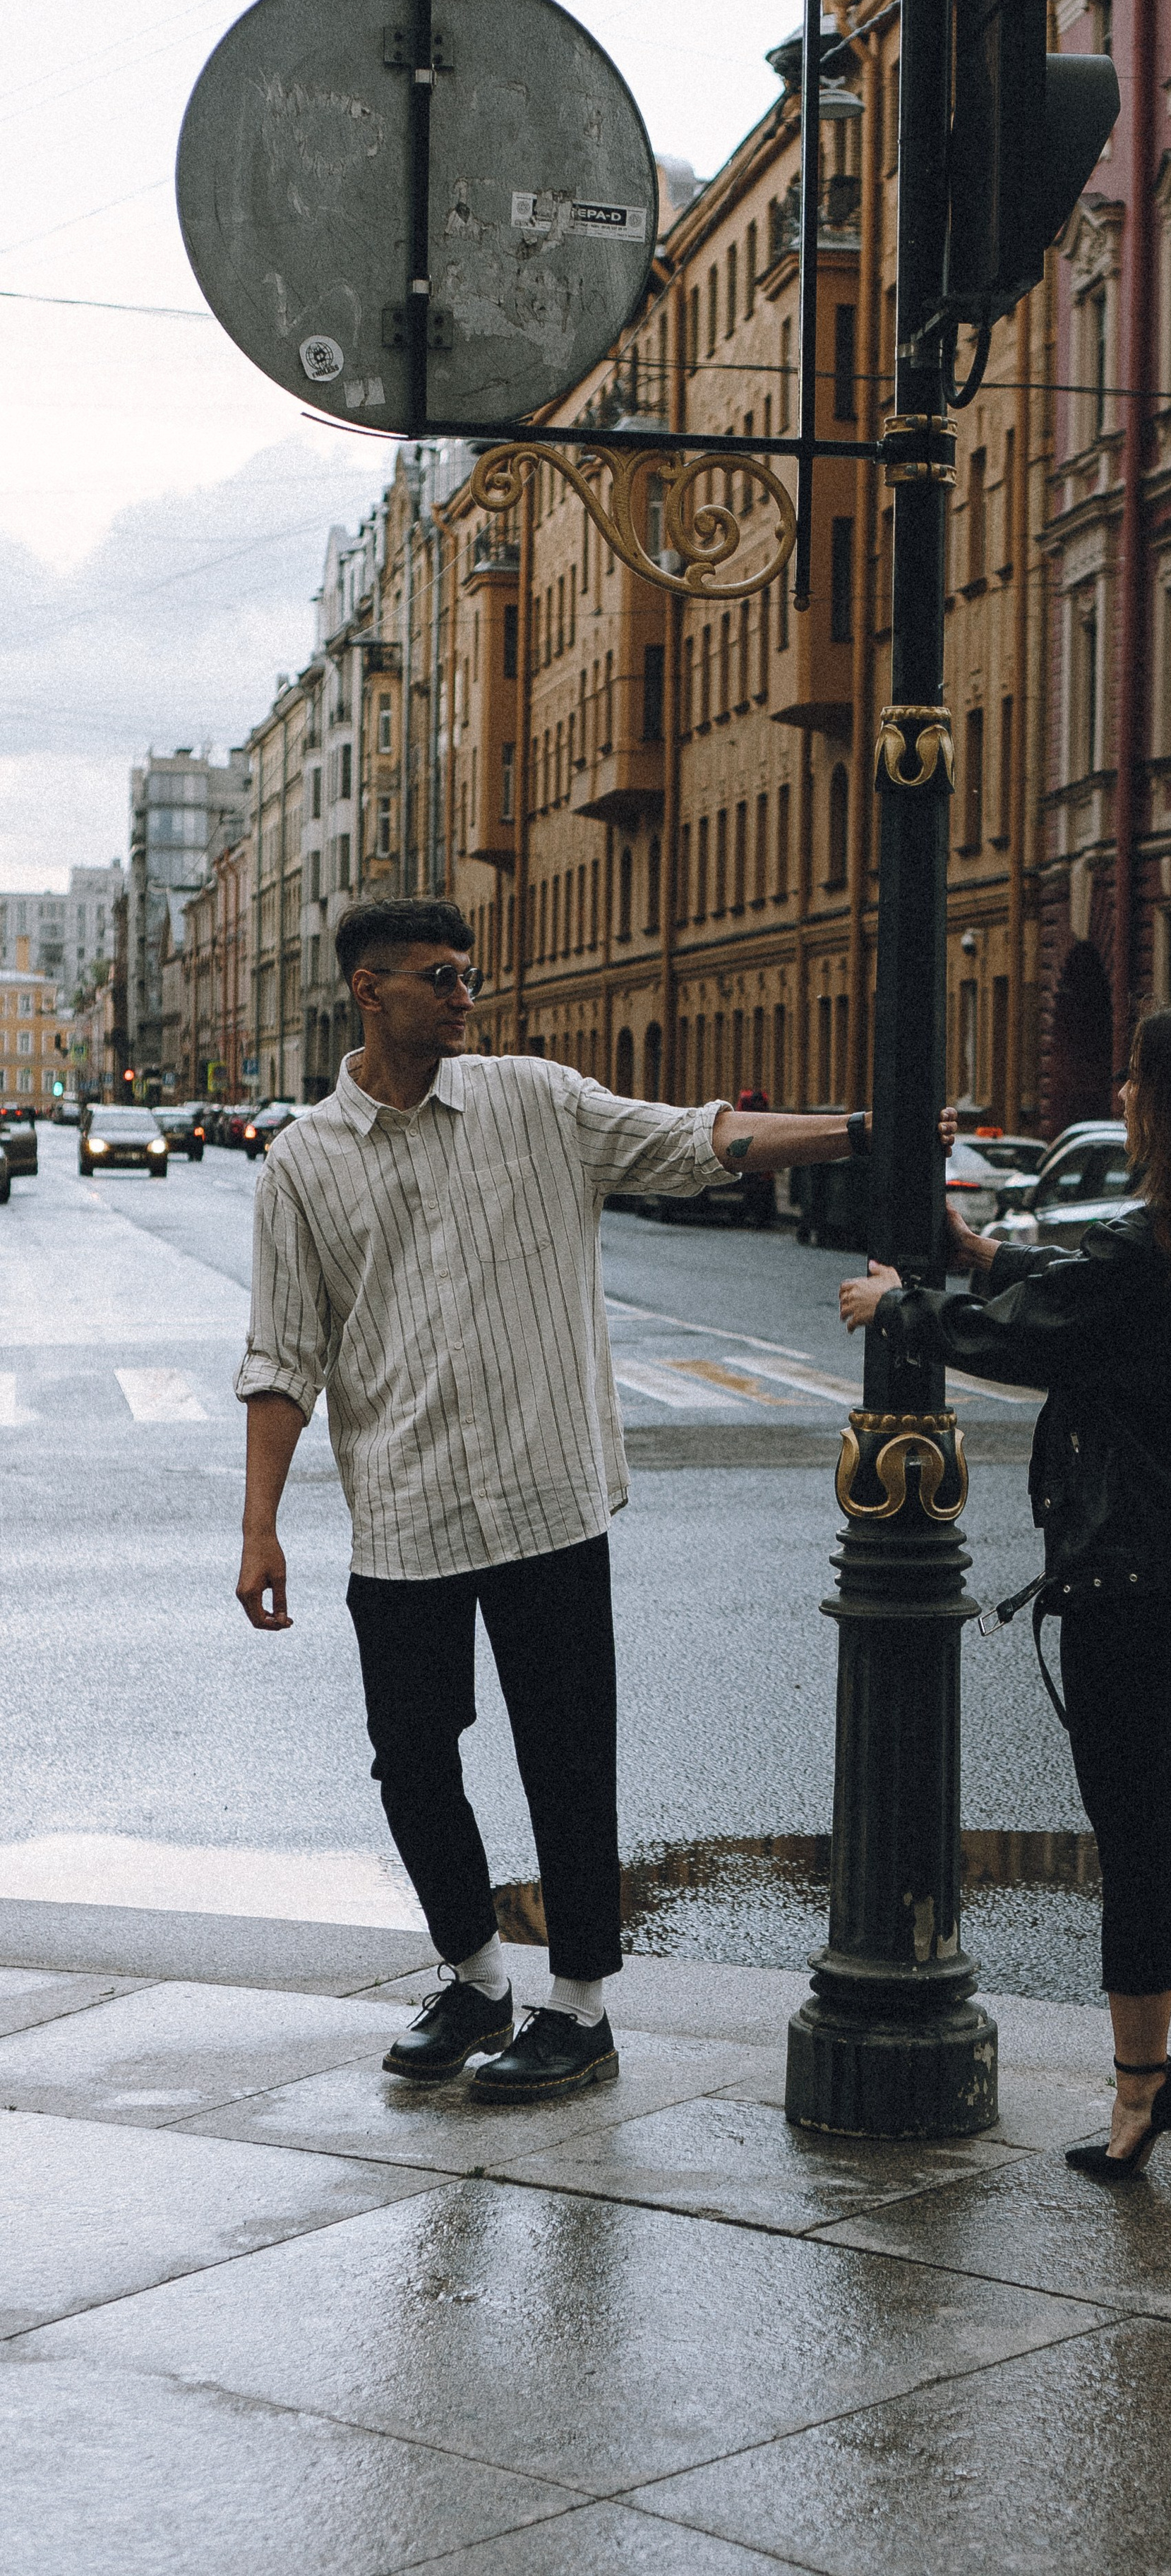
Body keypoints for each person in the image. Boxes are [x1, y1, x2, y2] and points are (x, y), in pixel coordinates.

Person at [236, 898, 901, 2106]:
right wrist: (259, 1525)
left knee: (567, 1756)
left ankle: (581, 2007)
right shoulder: (304, 1164)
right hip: (406, 1511)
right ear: (368, 991)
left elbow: (698, 1140)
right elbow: (283, 1356)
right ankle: (476, 1976)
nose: (464, 992)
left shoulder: (536, 1102)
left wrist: (862, 1131)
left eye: (469, 972)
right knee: (410, 1760)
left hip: (545, 1499)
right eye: (439, 975)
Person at [839, 999, 1171, 2184]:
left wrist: (901, 1305)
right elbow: (1095, 1293)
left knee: (1148, 1839)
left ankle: (1141, 2098)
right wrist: (989, 1256)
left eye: (1137, 1080)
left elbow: (1039, 1332)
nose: (1122, 1096)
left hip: (1135, 1584)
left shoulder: (1154, 1248)